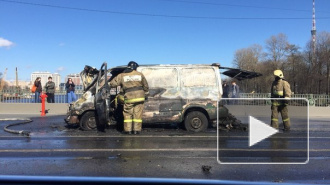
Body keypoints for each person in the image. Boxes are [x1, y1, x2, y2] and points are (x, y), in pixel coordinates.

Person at [110, 61, 149, 135]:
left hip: (129, 97)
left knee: (128, 114)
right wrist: (146, 94)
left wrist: (108, 84)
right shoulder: (139, 74)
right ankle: (136, 130)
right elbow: (145, 86)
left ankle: (128, 130)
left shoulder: (122, 75)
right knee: (137, 114)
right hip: (140, 97)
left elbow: (113, 84)